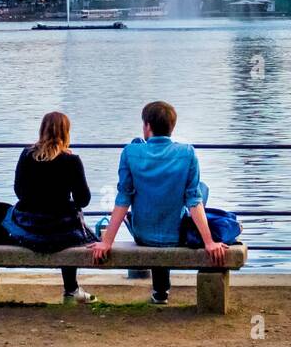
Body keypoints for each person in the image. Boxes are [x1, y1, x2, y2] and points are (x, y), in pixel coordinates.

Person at [90, 100, 226, 305]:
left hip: (143, 234)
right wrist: (208, 242)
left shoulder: (130, 152)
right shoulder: (187, 153)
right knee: (199, 190)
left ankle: (160, 291)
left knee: (156, 197)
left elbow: (123, 198)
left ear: (147, 126)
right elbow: (194, 201)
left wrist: (107, 241)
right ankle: (163, 288)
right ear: (172, 127)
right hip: (175, 234)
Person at [0, 111, 97, 303]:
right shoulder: (72, 161)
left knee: (2, 210)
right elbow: (83, 200)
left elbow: (19, 192)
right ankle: (71, 290)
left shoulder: (26, 155)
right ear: (66, 132)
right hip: (59, 229)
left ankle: (72, 290)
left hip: (29, 226)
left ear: (42, 130)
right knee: (71, 226)